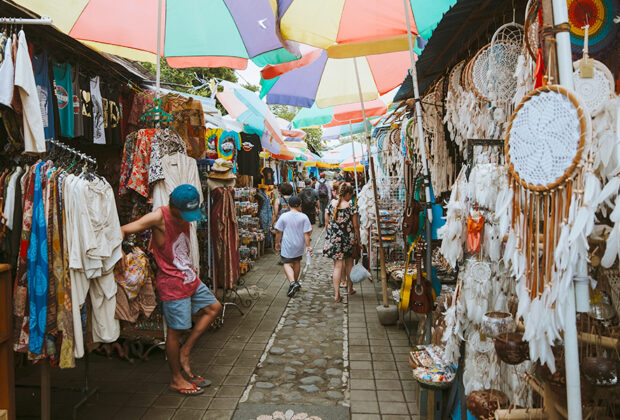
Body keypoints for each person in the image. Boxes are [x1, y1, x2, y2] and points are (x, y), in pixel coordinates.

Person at [119, 184, 222, 396]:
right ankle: (176, 378)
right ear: (173, 206)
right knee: (176, 331)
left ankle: (186, 351)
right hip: (172, 285)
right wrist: (120, 251)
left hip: (190, 278)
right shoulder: (158, 217)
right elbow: (123, 229)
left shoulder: (183, 213)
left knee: (214, 308)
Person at [324, 183, 360, 302]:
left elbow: (327, 222)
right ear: (348, 194)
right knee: (349, 264)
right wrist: (358, 240)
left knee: (337, 267)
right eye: (351, 195)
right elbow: (355, 226)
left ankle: (336, 295)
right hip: (348, 240)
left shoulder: (331, 205)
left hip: (335, 239)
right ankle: (350, 289)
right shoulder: (351, 207)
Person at [274, 195, 312, 298]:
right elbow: (306, 233)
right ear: (300, 204)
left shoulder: (284, 216)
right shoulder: (304, 216)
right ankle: (295, 282)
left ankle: (292, 283)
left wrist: (277, 242)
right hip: (299, 244)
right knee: (296, 262)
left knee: (286, 263)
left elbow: (278, 231)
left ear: (288, 205)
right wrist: (308, 246)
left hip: (287, 243)